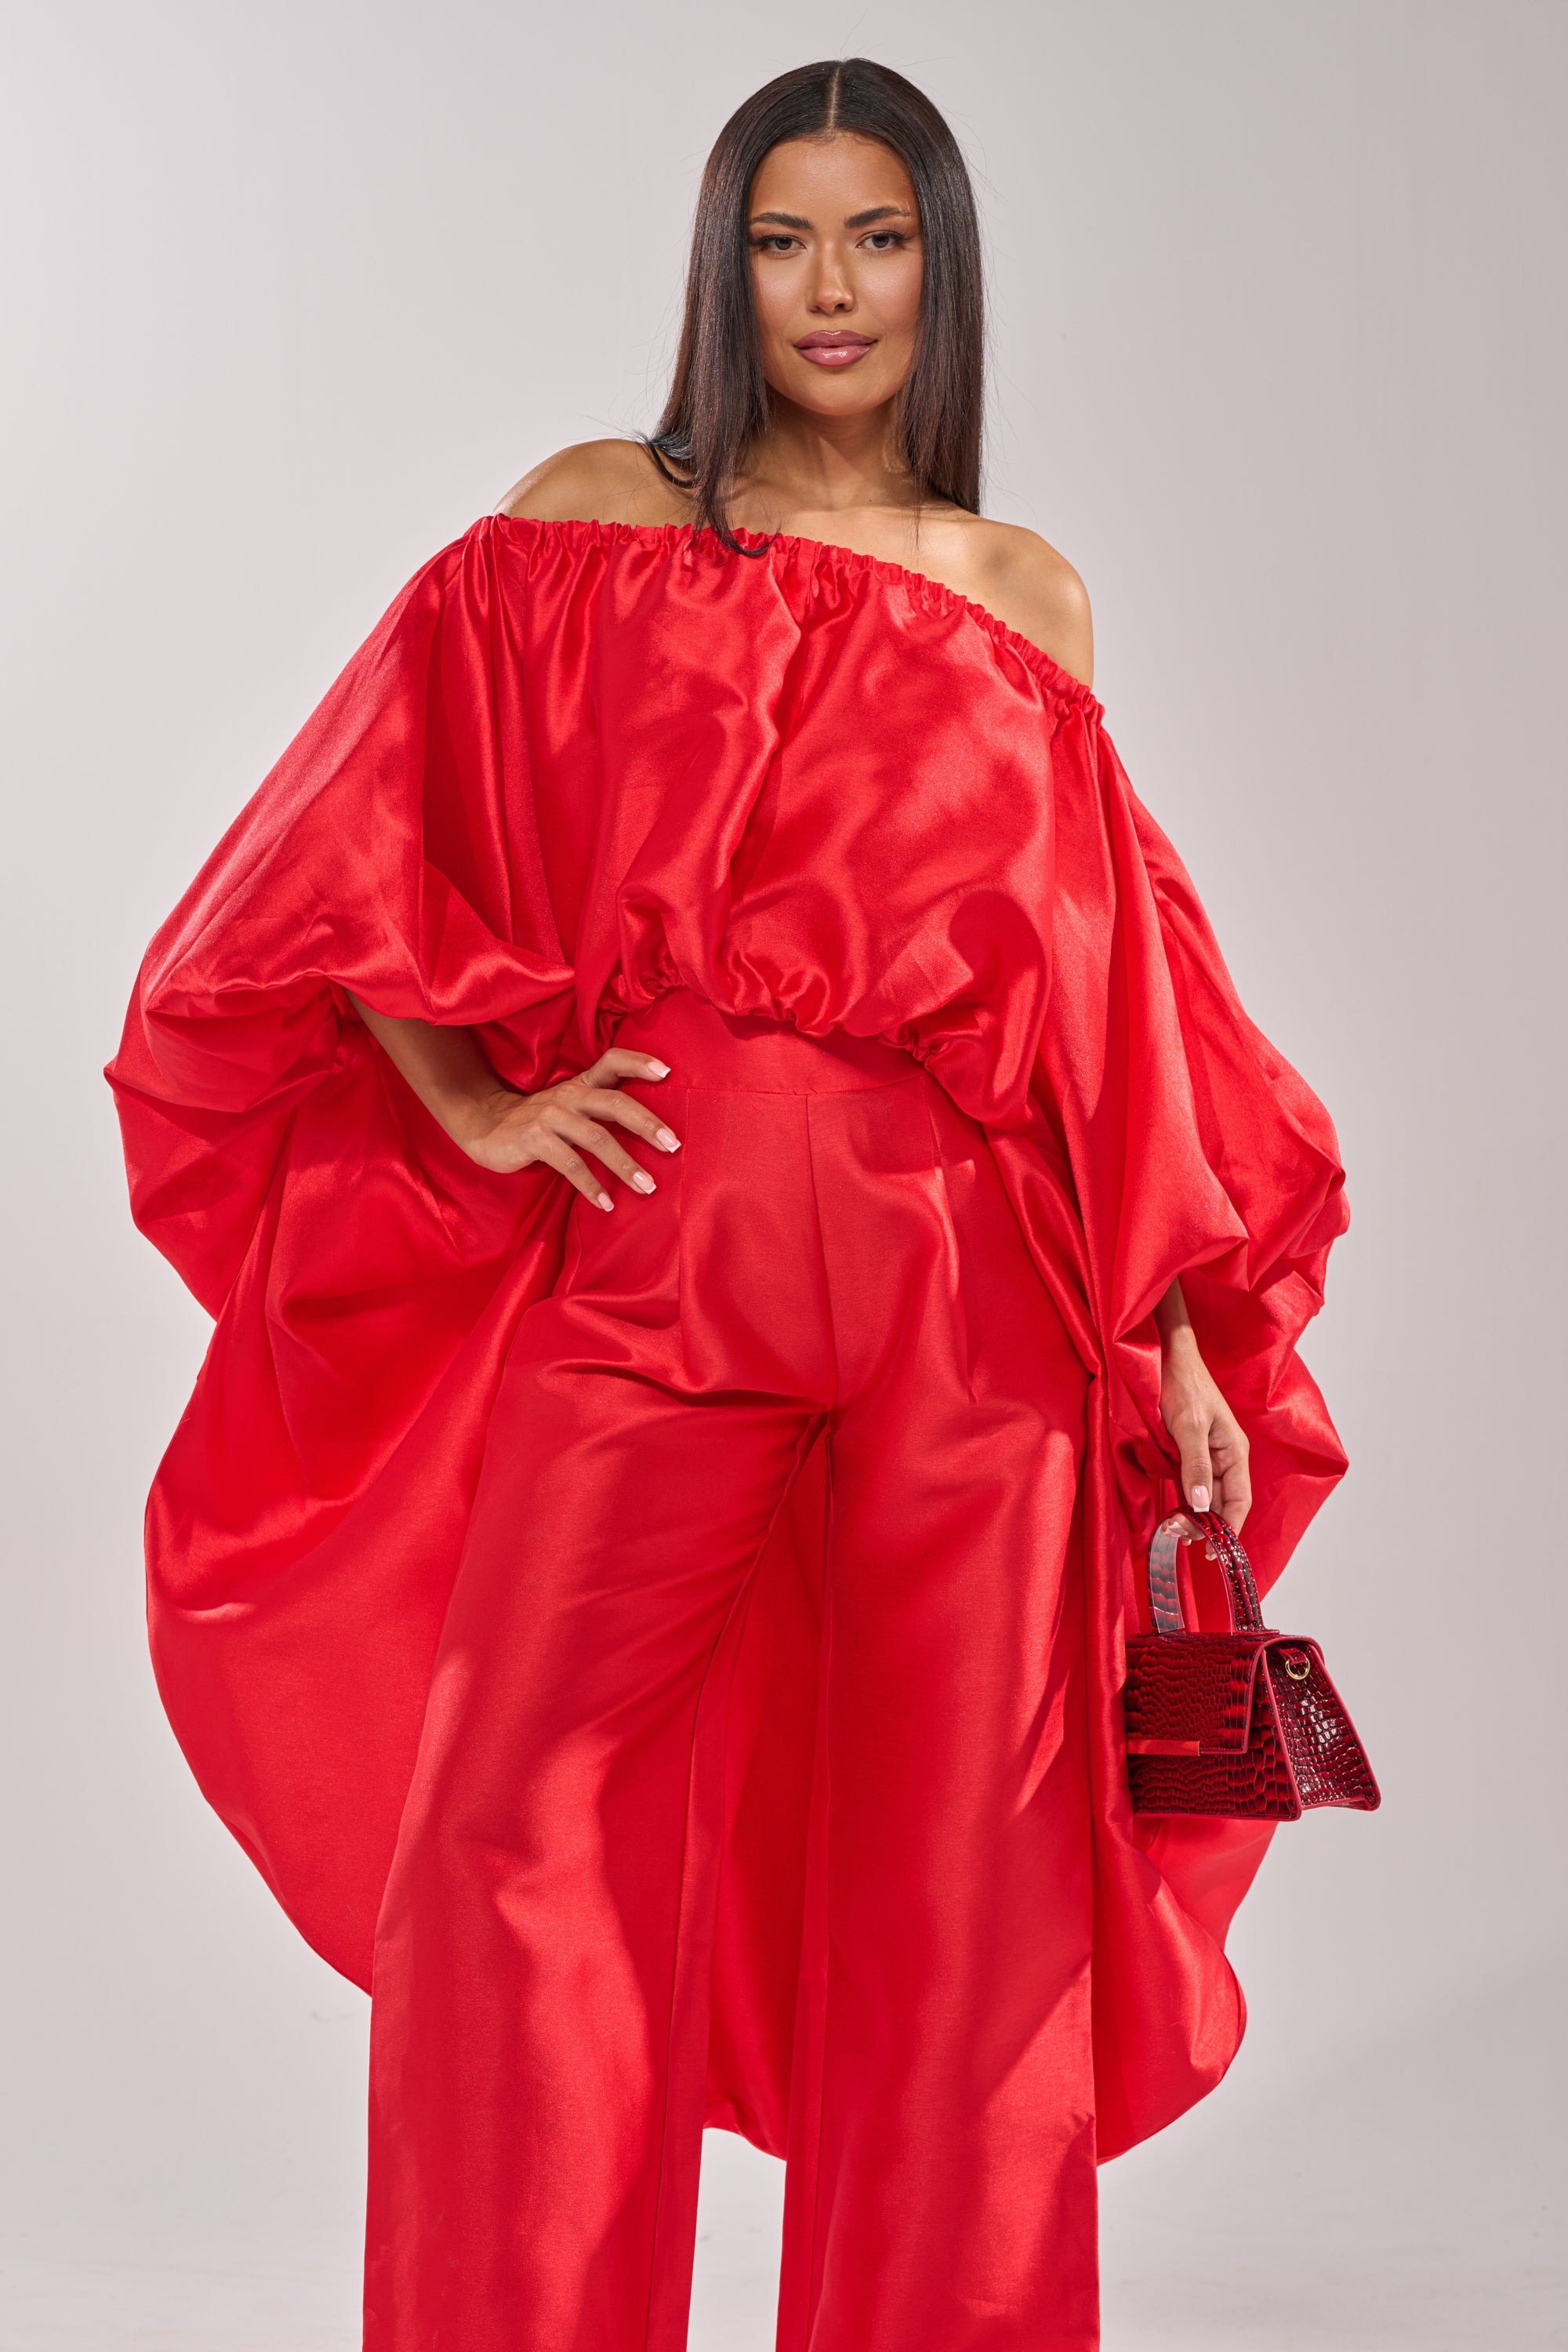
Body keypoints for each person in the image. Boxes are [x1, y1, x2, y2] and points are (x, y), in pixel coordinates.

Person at [107, 55, 1348, 2352]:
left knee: (968, 1905)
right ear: (724, 267)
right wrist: (474, 1103)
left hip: (979, 1300)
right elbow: (363, 841)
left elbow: (1111, 1009)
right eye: (784, 241)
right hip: (664, 1248)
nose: (831, 289)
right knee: (511, 1813)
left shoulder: (1028, 599)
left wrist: (1175, 1327)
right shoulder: (591, 524)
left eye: (878, 237)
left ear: (942, 268)